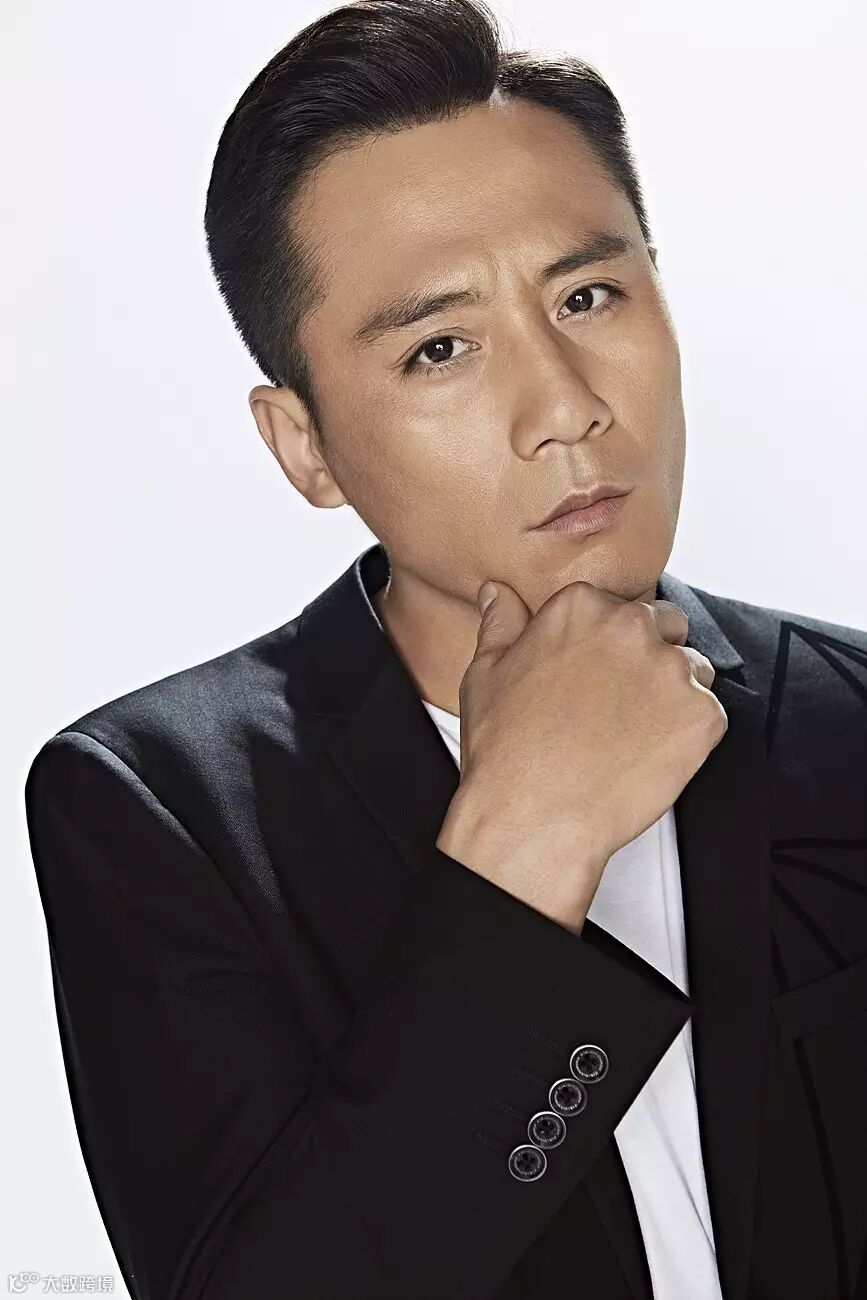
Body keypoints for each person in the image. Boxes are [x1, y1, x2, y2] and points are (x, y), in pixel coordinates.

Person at [24, 1, 867, 1297]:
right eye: (441, 347)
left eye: (589, 294)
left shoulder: (850, 721)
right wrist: (523, 854)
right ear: (304, 445)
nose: (567, 407)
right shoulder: (159, 808)